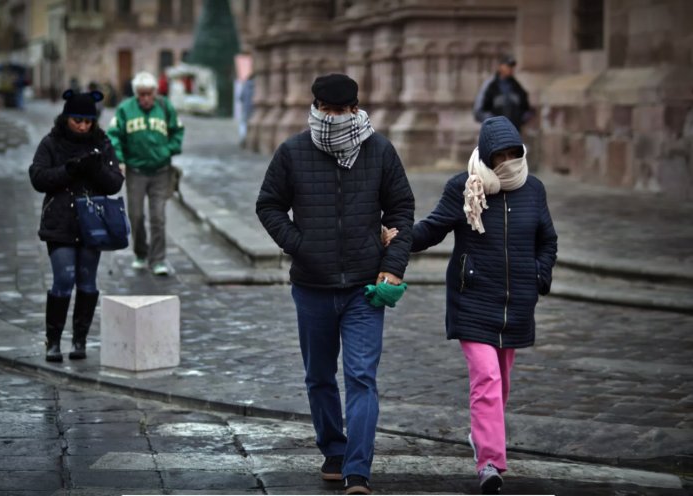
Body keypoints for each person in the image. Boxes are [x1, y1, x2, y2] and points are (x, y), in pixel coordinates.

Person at [256, 73, 415, 495]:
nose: (334, 119)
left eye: (342, 111)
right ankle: (334, 450)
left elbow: (401, 210)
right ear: (316, 108)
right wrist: (300, 245)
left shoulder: (379, 150)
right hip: (312, 286)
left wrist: (393, 264)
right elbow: (268, 204)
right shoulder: (292, 151)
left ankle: (358, 470)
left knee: (362, 377)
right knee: (319, 376)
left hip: (365, 288)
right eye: (326, 110)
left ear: (355, 109)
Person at [383, 116, 557, 494]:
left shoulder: (534, 190)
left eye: (515, 153)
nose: (509, 161)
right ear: (488, 155)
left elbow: (547, 240)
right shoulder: (465, 187)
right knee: (487, 380)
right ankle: (490, 463)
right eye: (502, 155)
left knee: (501, 383)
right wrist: (398, 239)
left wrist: (539, 275)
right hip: (472, 300)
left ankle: (481, 434)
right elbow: (432, 228)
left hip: (516, 305)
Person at [29, 89, 125, 362]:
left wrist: (94, 169)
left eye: (88, 121)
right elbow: (37, 177)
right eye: (77, 120)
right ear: (67, 117)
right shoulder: (52, 143)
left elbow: (115, 182)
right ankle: (54, 341)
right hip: (60, 222)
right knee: (63, 278)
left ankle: (80, 340)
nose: (83, 126)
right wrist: (68, 170)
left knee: (87, 281)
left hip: (92, 223)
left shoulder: (102, 143)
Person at [107, 71, 185, 276]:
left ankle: (158, 259)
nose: (146, 99)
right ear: (136, 94)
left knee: (158, 217)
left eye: (149, 94)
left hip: (161, 171)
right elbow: (114, 135)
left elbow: (177, 130)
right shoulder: (125, 109)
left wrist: (168, 150)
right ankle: (141, 253)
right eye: (141, 95)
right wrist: (120, 159)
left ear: (155, 93)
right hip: (136, 171)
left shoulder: (165, 107)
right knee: (136, 216)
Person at [473, 55, 533, 132]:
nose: (510, 69)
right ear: (500, 67)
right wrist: (494, 122)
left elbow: (526, 109)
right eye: (508, 66)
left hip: (513, 133)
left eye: (512, 66)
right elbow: (479, 111)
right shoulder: (490, 85)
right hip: (495, 133)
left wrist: (519, 120)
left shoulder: (517, 87)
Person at [238, 74, 255, 147]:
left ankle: (243, 139)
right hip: (255, 110)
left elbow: (240, 98)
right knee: (253, 126)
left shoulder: (245, 85)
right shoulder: (258, 87)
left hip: (246, 109)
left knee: (243, 125)